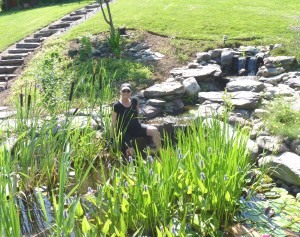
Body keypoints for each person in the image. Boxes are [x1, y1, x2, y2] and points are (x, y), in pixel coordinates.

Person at [111, 83, 161, 157]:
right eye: (124, 91)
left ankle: (158, 150)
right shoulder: (116, 106)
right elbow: (113, 122)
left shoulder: (134, 101)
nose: (126, 93)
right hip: (124, 132)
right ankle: (132, 164)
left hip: (136, 128)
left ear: (131, 92)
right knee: (131, 151)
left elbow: (137, 115)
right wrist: (112, 138)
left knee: (154, 130)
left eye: (128, 91)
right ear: (120, 92)